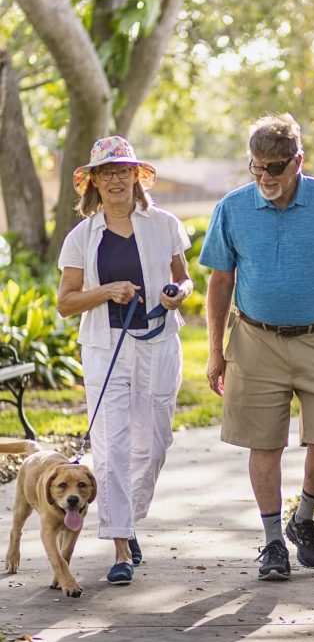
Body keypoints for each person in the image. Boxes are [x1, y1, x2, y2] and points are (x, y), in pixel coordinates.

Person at [200, 113, 314, 580]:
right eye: (256, 167)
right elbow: (220, 282)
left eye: (275, 167)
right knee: (263, 441)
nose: (265, 177)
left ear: (298, 161)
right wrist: (214, 349)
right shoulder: (232, 208)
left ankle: (303, 519)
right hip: (255, 339)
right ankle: (271, 544)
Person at [57, 135, 193, 586]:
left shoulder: (165, 223)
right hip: (105, 347)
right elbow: (66, 302)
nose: (115, 179)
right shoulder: (82, 236)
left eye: (123, 171)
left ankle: (127, 520)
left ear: (137, 176)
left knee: (153, 445)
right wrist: (107, 291)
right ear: (93, 182)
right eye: (106, 172)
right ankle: (120, 545)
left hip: (158, 342)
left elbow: (184, 278)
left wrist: (178, 296)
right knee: (112, 445)